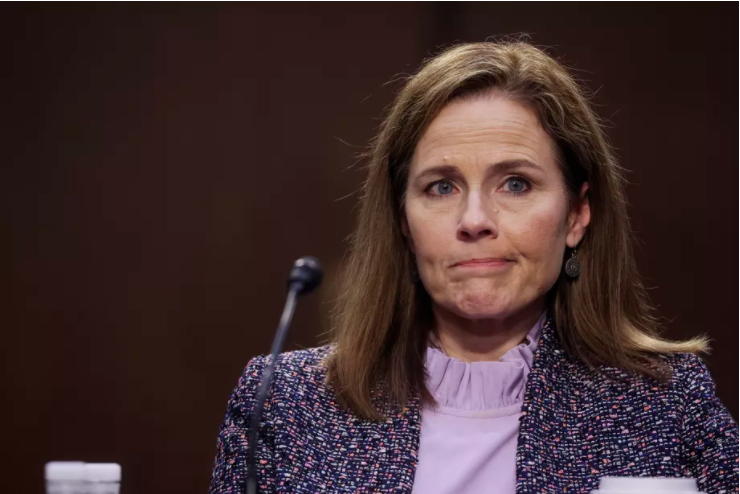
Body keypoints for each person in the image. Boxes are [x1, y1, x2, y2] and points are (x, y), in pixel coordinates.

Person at [209, 41, 739, 494]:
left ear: (577, 214)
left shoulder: (665, 404)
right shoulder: (284, 404)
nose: (475, 220)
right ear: (402, 219)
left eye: (516, 184)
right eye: (442, 186)